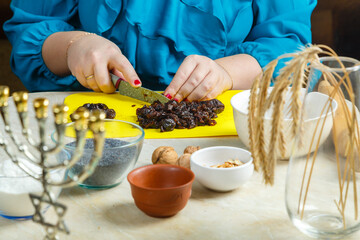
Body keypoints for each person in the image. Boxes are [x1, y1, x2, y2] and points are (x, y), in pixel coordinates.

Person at [3, 0, 316, 102]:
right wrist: (74, 47)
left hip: (226, 144)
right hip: (90, 135)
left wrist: (225, 73)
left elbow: (290, 49)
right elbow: (30, 32)